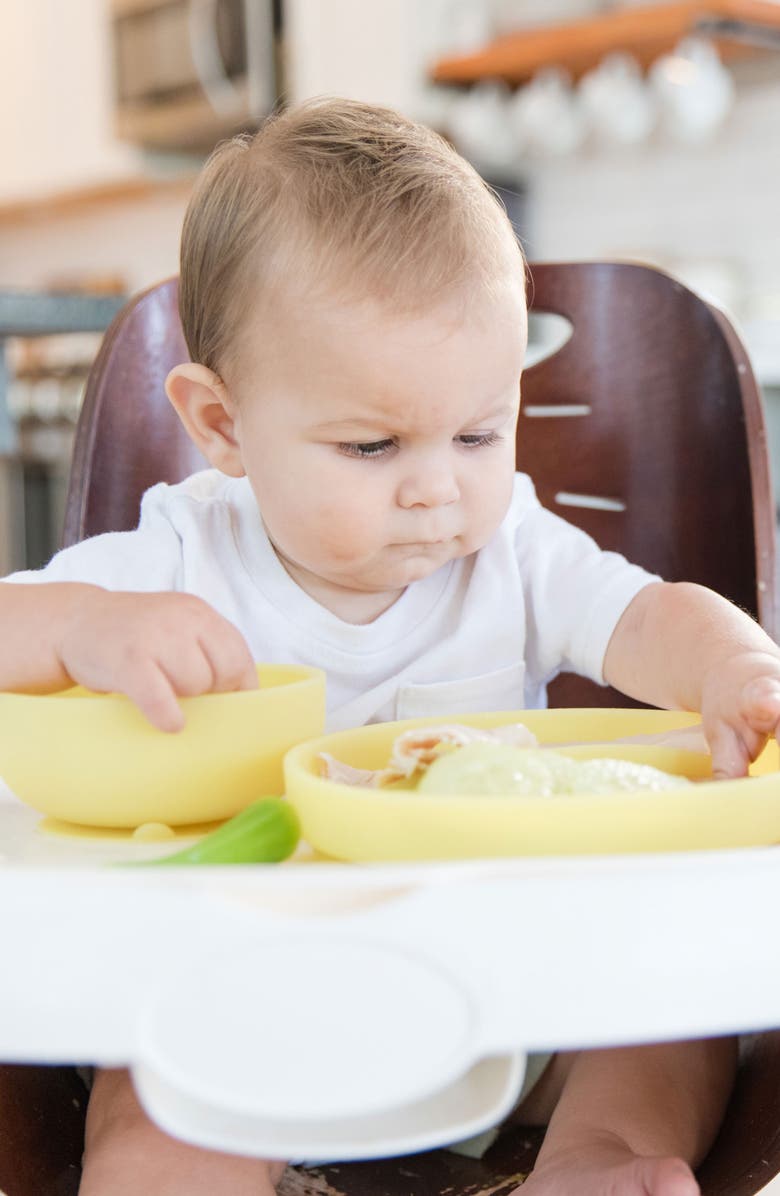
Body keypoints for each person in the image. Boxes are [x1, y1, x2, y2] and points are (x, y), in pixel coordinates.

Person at [0, 96, 778, 1196]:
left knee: (675, 1022)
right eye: (372, 443)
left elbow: (648, 616)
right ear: (221, 424)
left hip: (501, 998)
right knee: (150, 1105)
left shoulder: (508, 544)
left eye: (478, 431)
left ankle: (589, 1162)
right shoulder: (176, 556)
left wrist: (739, 669)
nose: (438, 486)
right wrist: (82, 627)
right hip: (240, 1006)